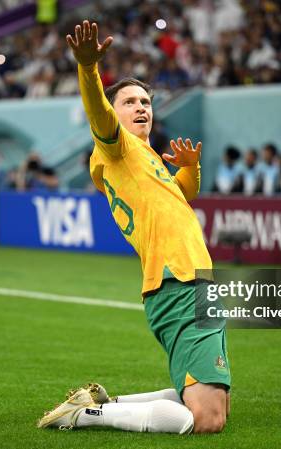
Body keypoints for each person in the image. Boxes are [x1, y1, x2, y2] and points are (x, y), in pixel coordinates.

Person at [38, 20, 230, 435]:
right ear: (114, 112)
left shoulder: (146, 157)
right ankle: (86, 416)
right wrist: (88, 69)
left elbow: (182, 194)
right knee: (207, 419)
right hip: (178, 280)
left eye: (146, 101)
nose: (141, 107)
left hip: (188, 278)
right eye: (129, 102)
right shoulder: (117, 148)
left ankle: (104, 403)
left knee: (212, 401)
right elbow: (97, 112)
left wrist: (191, 169)